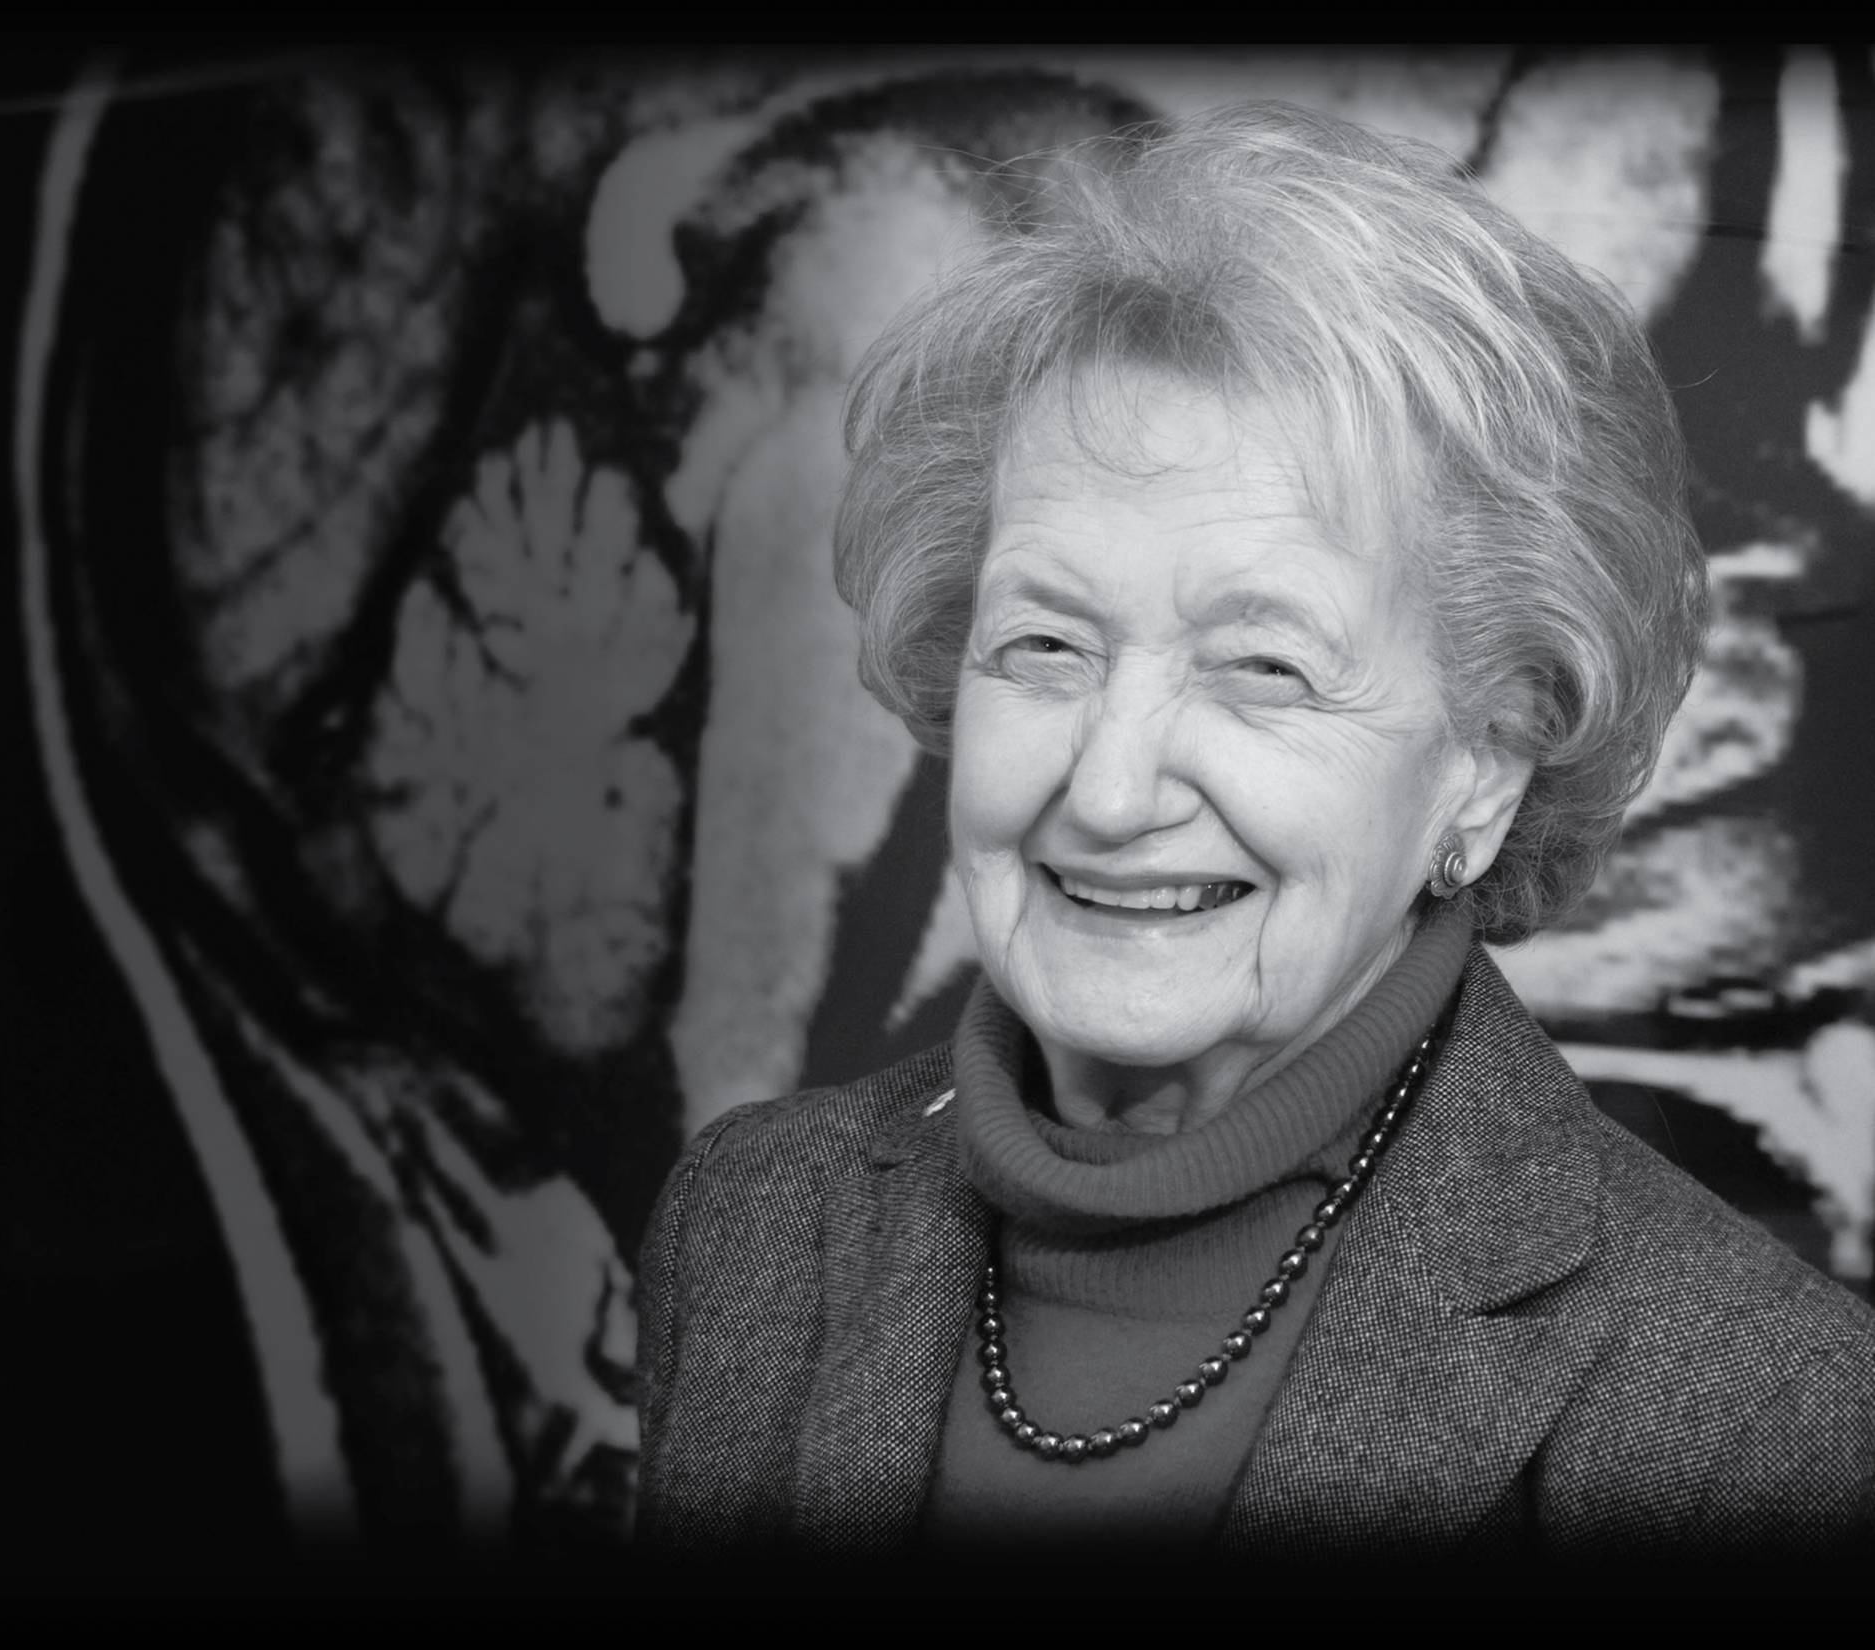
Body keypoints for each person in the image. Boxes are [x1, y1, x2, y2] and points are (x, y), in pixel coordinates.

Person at [631, 101, 1875, 1563]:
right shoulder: (752, 1225)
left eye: (1263, 667)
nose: (1110, 791)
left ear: (1484, 767)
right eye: (1045, 644)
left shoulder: (1750, 1414)